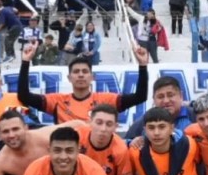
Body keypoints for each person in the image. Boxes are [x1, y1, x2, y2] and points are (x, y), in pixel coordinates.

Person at [16, 46, 149, 123]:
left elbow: (140, 97)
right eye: (76, 72)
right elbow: (24, 96)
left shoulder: (107, 100)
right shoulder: (57, 101)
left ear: (92, 77)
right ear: (69, 78)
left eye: (85, 71)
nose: (80, 75)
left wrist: (143, 66)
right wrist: (25, 62)